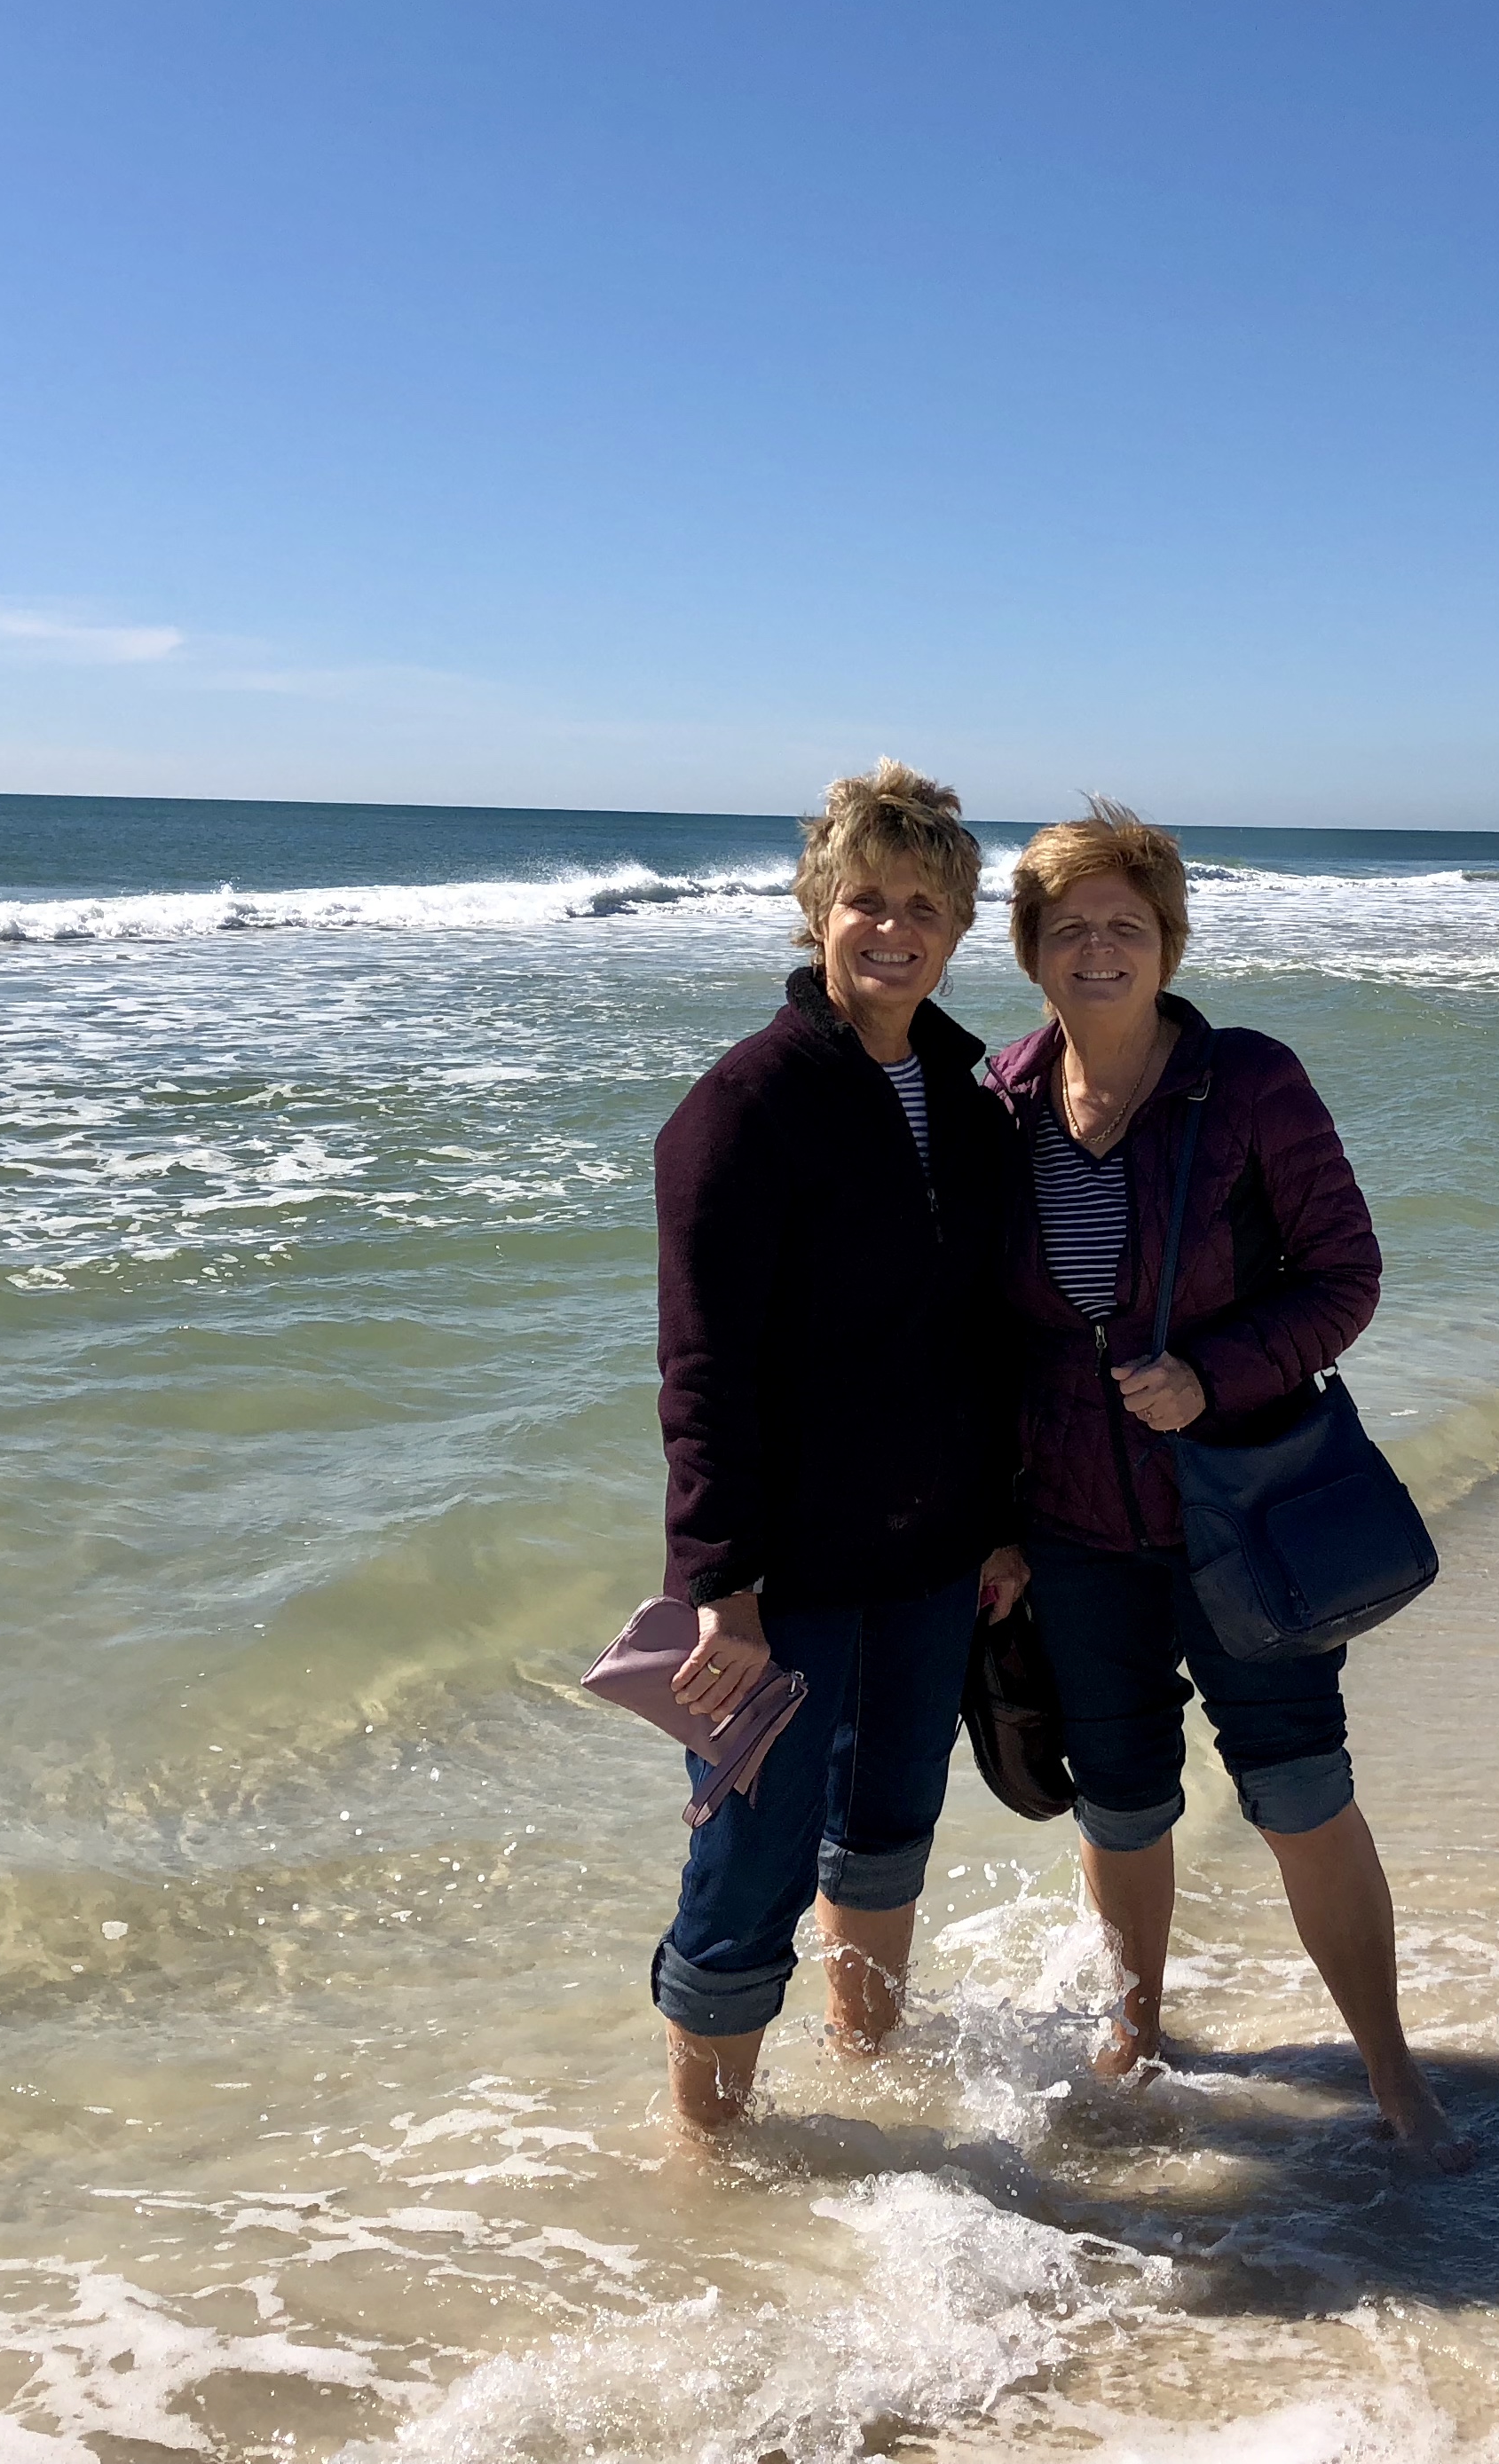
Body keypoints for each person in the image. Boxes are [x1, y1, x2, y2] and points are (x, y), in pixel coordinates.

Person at [982, 799, 1471, 2170]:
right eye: (1069, 927)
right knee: (1121, 1796)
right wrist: (995, 1526)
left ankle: (1395, 2080)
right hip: (1076, 1526)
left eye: (1125, 925)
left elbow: (1345, 1275)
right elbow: (984, 1338)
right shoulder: (1001, 1102)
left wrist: (1213, 1374)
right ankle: (1135, 2036)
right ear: (1030, 948)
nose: (1098, 948)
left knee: (1300, 1784)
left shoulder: (1247, 1082)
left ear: (1169, 942)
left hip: (1243, 1508)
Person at [646, 760, 1028, 2129]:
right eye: (866, 899)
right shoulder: (744, 1105)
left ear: (959, 927)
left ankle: (871, 2086)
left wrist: (1001, 1522)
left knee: (887, 1831)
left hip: (931, 1562)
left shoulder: (971, 1106)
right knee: (747, 1866)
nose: (893, 929)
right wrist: (722, 1585)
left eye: (924, 905)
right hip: (784, 1580)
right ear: (818, 910)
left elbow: (984, 1338)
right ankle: (712, 2172)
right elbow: (702, 1368)